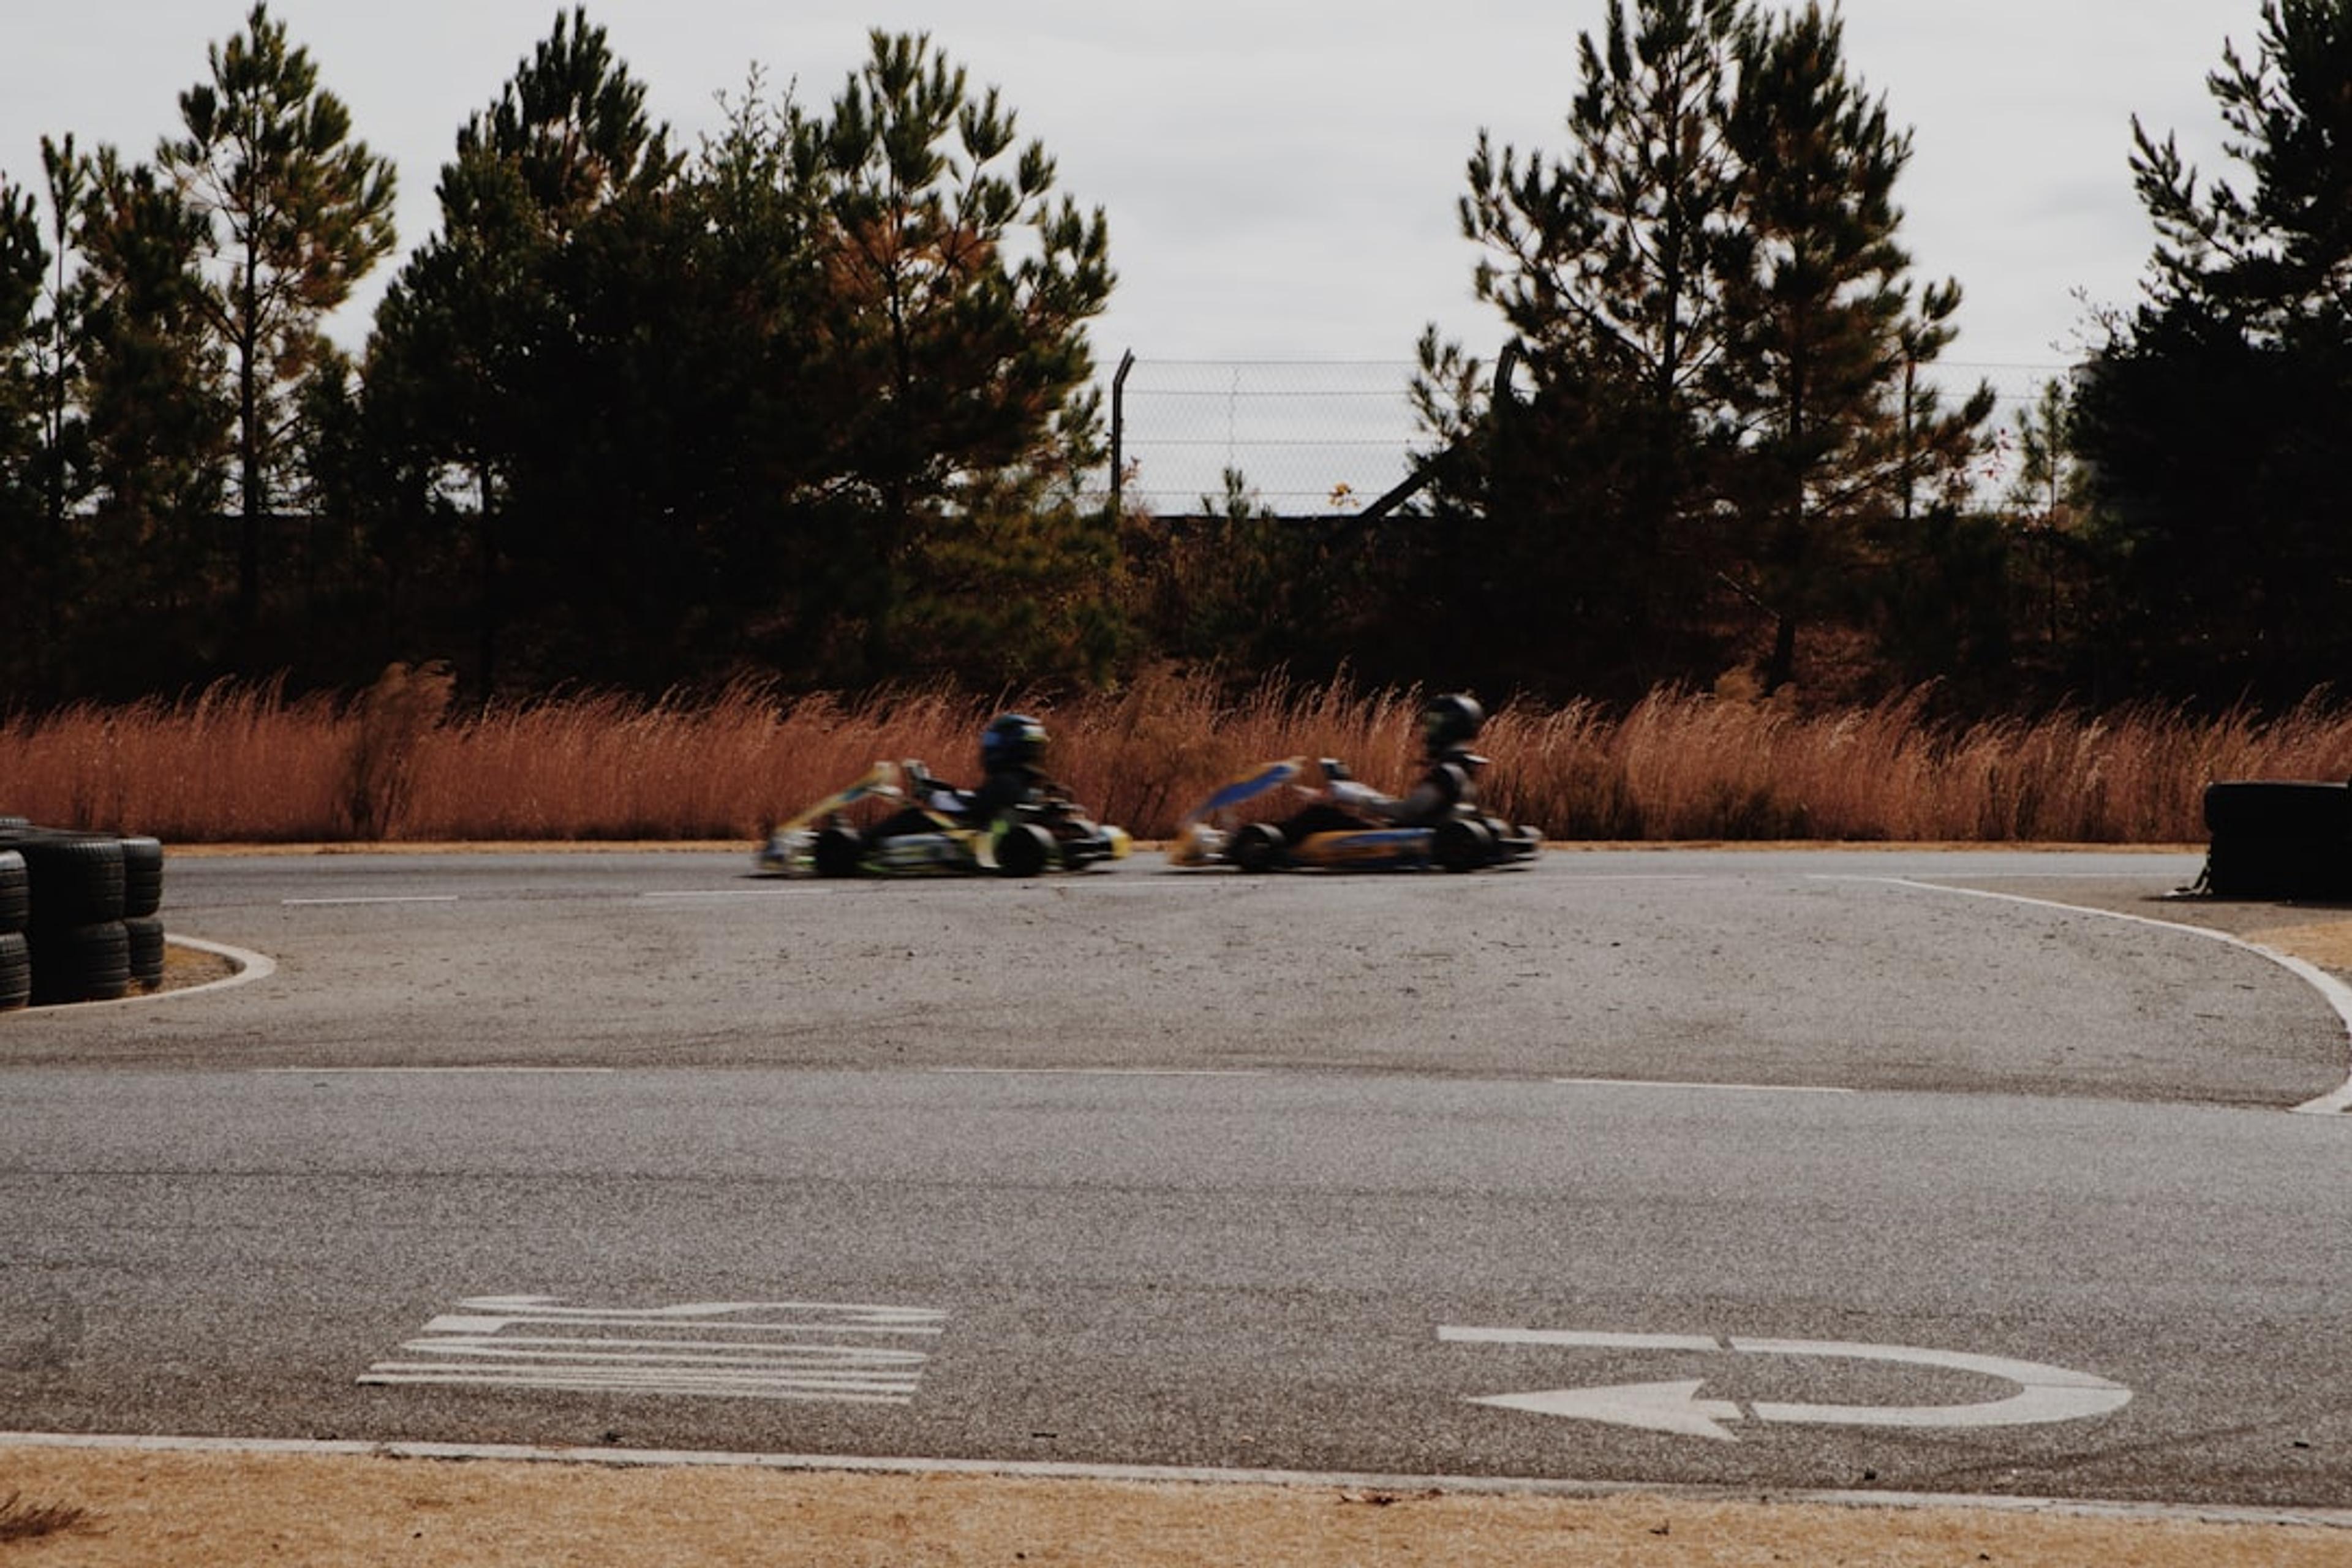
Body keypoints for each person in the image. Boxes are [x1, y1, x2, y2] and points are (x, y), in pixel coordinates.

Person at [1280, 692, 1488, 841]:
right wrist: (1361, 794)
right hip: (1423, 831)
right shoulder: (1464, 766)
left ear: (1449, 727)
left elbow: (1407, 812)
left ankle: (1267, 841)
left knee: (1320, 815)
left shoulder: (1447, 772)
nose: (1427, 731)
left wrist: (1355, 798)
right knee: (1340, 812)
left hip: (1407, 837)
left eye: (1434, 724)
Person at [880, 712, 1057, 836]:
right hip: (999, 832)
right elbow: (978, 802)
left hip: (982, 838)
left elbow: (971, 809)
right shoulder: (1031, 783)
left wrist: (931, 796)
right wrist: (940, 790)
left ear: (1011, 746)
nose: (988, 745)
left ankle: (860, 846)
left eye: (993, 740)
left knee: (913, 817)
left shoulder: (1006, 782)